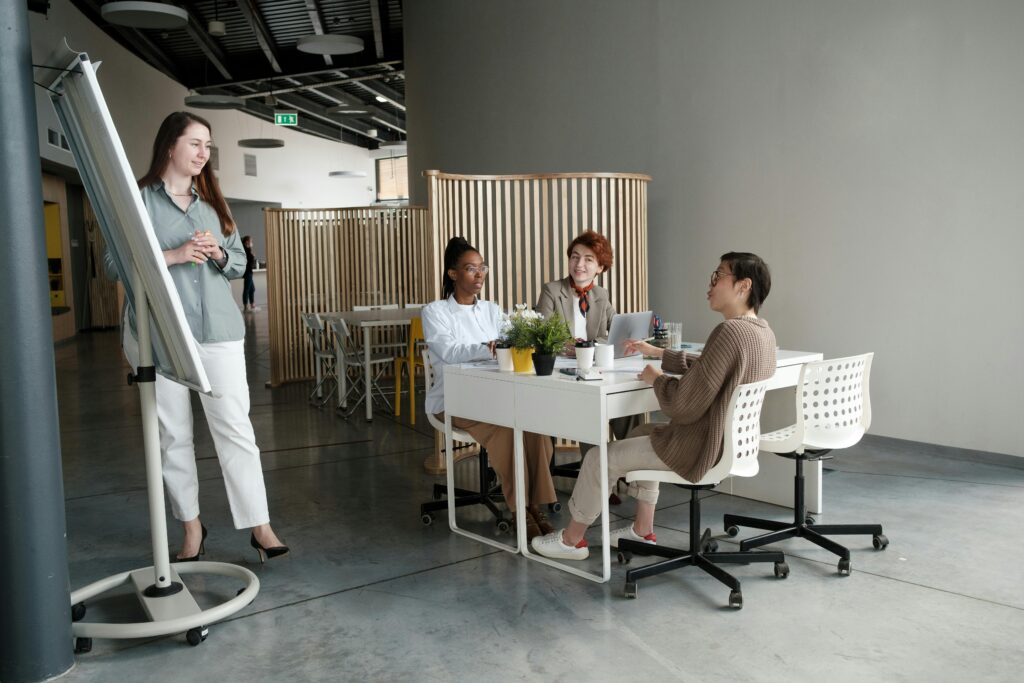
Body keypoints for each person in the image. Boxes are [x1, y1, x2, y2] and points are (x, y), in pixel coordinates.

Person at [106, 112, 287, 563]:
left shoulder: (211, 204)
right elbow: (114, 265)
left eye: (208, 146)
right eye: (195, 144)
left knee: (236, 430)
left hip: (219, 333)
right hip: (161, 336)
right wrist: (174, 254)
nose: (204, 154)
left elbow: (240, 265)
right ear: (170, 146)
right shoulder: (140, 202)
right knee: (174, 436)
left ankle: (260, 526)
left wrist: (219, 254)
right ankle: (191, 529)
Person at [531, 252, 777, 560]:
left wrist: (657, 379)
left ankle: (571, 541)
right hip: (731, 444)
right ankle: (642, 530)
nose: (710, 283)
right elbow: (711, 367)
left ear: (743, 286)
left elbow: (682, 407)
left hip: (699, 447)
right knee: (642, 431)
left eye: (718, 276)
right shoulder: (761, 332)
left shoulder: (728, 332)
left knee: (598, 457)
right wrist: (660, 353)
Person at [421, 237, 558, 540]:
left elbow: (513, 341)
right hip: (453, 401)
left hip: (495, 397)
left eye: (483, 268)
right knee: (509, 430)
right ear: (453, 274)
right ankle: (519, 509)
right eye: (471, 269)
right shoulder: (434, 312)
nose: (480, 275)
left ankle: (535, 505)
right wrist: (489, 348)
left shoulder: (493, 310)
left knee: (534, 427)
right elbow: (450, 352)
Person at [535, 230, 615, 348]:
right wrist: (568, 346)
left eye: (588, 259)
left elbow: (618, 331)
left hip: (594, 362)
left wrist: (589, 345)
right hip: (561, 362)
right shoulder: (551, 291)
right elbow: (542, 335)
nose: (579, 264)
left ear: (600, 267)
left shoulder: (601, 294)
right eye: (575, 257)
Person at [241, 235, 258, 312]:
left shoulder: (248, 249)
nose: (252, 243)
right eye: (251, 241)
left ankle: (252, 305)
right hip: (247, 272)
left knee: (252, 289)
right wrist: (252, 256)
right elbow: (248, 260)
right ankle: (246, 307)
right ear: (247, 241)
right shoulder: (245, 250)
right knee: (247, 289)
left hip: (249, 272)